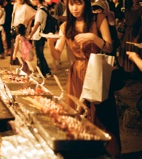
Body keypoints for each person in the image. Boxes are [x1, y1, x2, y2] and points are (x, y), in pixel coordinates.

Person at [47, 0, 121, 157]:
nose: (74, 8)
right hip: (77, 73)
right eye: (71, 4)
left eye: (78, 3)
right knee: (78, 115)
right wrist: (49, 42)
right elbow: (56, 55)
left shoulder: (98, 18)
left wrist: (93, 37)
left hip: (97, 70)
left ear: (86, 4)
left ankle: (107, 152)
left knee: (100, 115)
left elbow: (109, 47)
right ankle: (84, 153)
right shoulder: (65, 26)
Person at [28, 0, 52, 78]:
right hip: (39, 35)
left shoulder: (41, 11)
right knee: (41, 55)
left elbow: (37, 24)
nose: (31, 1)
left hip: (38, 35)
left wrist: (30, 34)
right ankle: (47, 72)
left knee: (39, 55)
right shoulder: (43, 9)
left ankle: (43, 73)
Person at [119, 0, 142, 73]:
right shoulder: (128, 9)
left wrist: (138, 36)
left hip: (135, 31)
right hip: (127, 32)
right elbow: (124, 21)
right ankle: (124, 69)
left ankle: (133, 70)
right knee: (125, 49)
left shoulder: (141, 9)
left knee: (133, 49)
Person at [10, 0, 36, 65]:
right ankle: (22, 65)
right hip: (15, 28)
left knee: (22, 48)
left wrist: (27, 21)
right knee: (17, 46)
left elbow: (35, 14)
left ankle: (25, 65)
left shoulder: (25, 7)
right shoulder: (15, 5)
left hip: (22, 29)